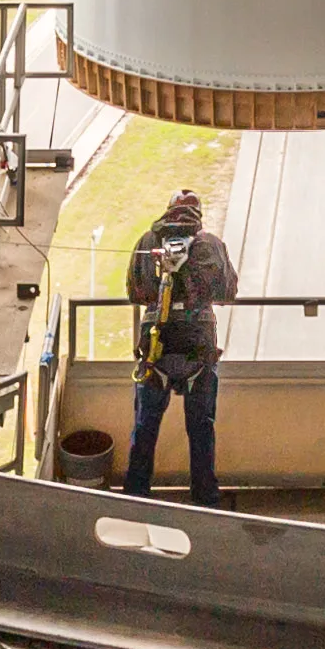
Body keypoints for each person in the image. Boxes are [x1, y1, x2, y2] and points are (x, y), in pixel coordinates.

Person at [121, 185, 234, 504]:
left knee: (145, 429)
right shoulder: (210, 243)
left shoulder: (147, 241)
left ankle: (135, 496)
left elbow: (135, 293)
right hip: (199, 345)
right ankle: (205, 497)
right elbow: (228, 292)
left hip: (156, 344)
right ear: (198, 216)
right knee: (201, 429)